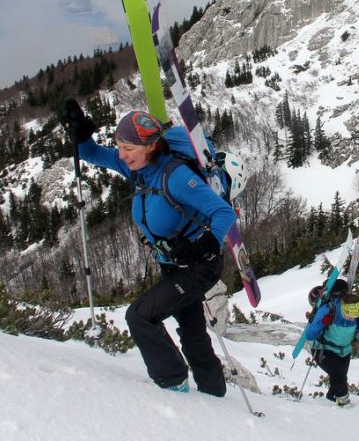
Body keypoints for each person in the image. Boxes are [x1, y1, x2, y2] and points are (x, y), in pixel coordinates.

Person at [60, 98, 237, 396]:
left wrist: (203, 247)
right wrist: (79, 131)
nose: (122, 154)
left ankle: (172, 383)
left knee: (140, 316)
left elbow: (224, 213)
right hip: (172, 265)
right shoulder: (135, 168)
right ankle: (214, 395)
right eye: (120, 146)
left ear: (152, 146)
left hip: (198, 266)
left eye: (129, 148)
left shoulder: (176, 176)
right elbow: (90, 153)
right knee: (193, 335)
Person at [305, 281, 359, 407]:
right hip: (323, 349)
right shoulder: (328, 310)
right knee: (338, 375)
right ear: (343, 307)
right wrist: (322, 322)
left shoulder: (358, 311)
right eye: (349, 314)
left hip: (344, 351)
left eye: (355, 315)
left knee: (340, 377)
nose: (351, 318)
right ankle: (344, 404)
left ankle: (332, 396)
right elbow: (310, 334)